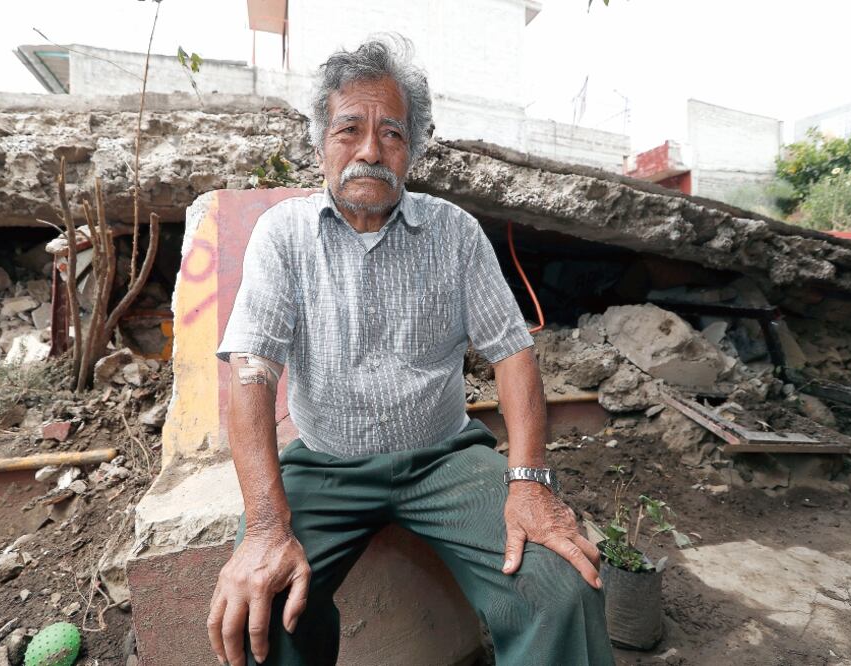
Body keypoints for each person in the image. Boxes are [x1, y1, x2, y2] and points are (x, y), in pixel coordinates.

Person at [206, 34, 614, 666]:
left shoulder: (455, 233)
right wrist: (263, 524)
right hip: (327, 463)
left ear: (413, 151)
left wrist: (529, 483)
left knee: (560, 588)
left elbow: (512, 354)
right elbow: (251, 371)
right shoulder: (283, 234)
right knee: (267, 607)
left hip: (444, 459)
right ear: (321, 144)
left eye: (392, 134)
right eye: (349, 129)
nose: (370, 150)